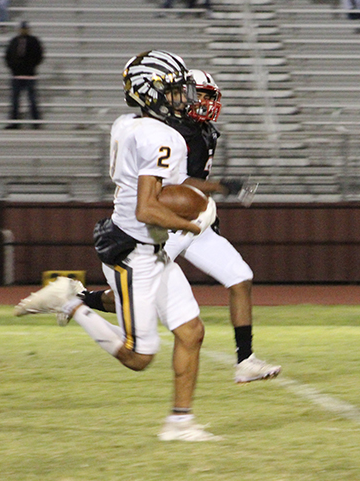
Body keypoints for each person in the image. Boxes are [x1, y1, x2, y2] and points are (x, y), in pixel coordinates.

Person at [14, 50, 222, 442]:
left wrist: (202, 195)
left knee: (191, 331)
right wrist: (192, 223)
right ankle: (71, 302)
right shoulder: (164, 137)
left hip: (148, 245)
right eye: (175, 91)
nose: (185, 98)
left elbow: (160, 191)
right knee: (139, 356)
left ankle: (180, 423)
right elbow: (148, 208)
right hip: (134, 252)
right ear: (151, 93)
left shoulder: (129, 123)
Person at [74, 69, 282, 384]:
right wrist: (221, 187)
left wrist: (210, 198)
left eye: (209, 96)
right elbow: (174, 185)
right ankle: (82, 300)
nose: (206, 102)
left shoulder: (204, 131)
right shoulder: (166, 130)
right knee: (141, 290)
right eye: (202, 94)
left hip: (194, 222)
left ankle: (245, 361)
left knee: (240, 277)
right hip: (168, 225)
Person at [4, 21, 43, 129]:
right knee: (14, 100)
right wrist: (13, 67)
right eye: (22, 28)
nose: (23, 30)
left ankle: (36, 122)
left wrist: (30, 67)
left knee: (32, 100)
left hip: (29, 74)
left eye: (25, 28)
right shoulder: (14, 41)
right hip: (16, 74)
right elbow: (7, 55)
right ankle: (14, 122)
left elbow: (39, 56)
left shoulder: (34, 41)